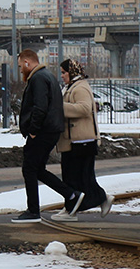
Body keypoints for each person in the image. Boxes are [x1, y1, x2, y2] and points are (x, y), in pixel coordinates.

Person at [12, 49, 82, 223]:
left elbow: (40, 107)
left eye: (20, 66)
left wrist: (33, 130)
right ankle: (71, 194)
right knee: (38, 170)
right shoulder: (46, 76)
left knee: (29, 168)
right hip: (50, 130)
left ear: (27, 63)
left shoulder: (38, 78)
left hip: (42, 131)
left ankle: (33, 211)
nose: (20, 70)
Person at [50, 59, 112, 221]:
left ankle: (72, 210)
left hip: (82, 141)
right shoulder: (71, 87)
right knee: (74, 177)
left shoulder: (80, 87)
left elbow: (84, 108)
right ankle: (92, 201)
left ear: (72, 72)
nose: (62, 76)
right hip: (73, 141)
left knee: (78, 177)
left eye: (64, 72)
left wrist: (59, 107)